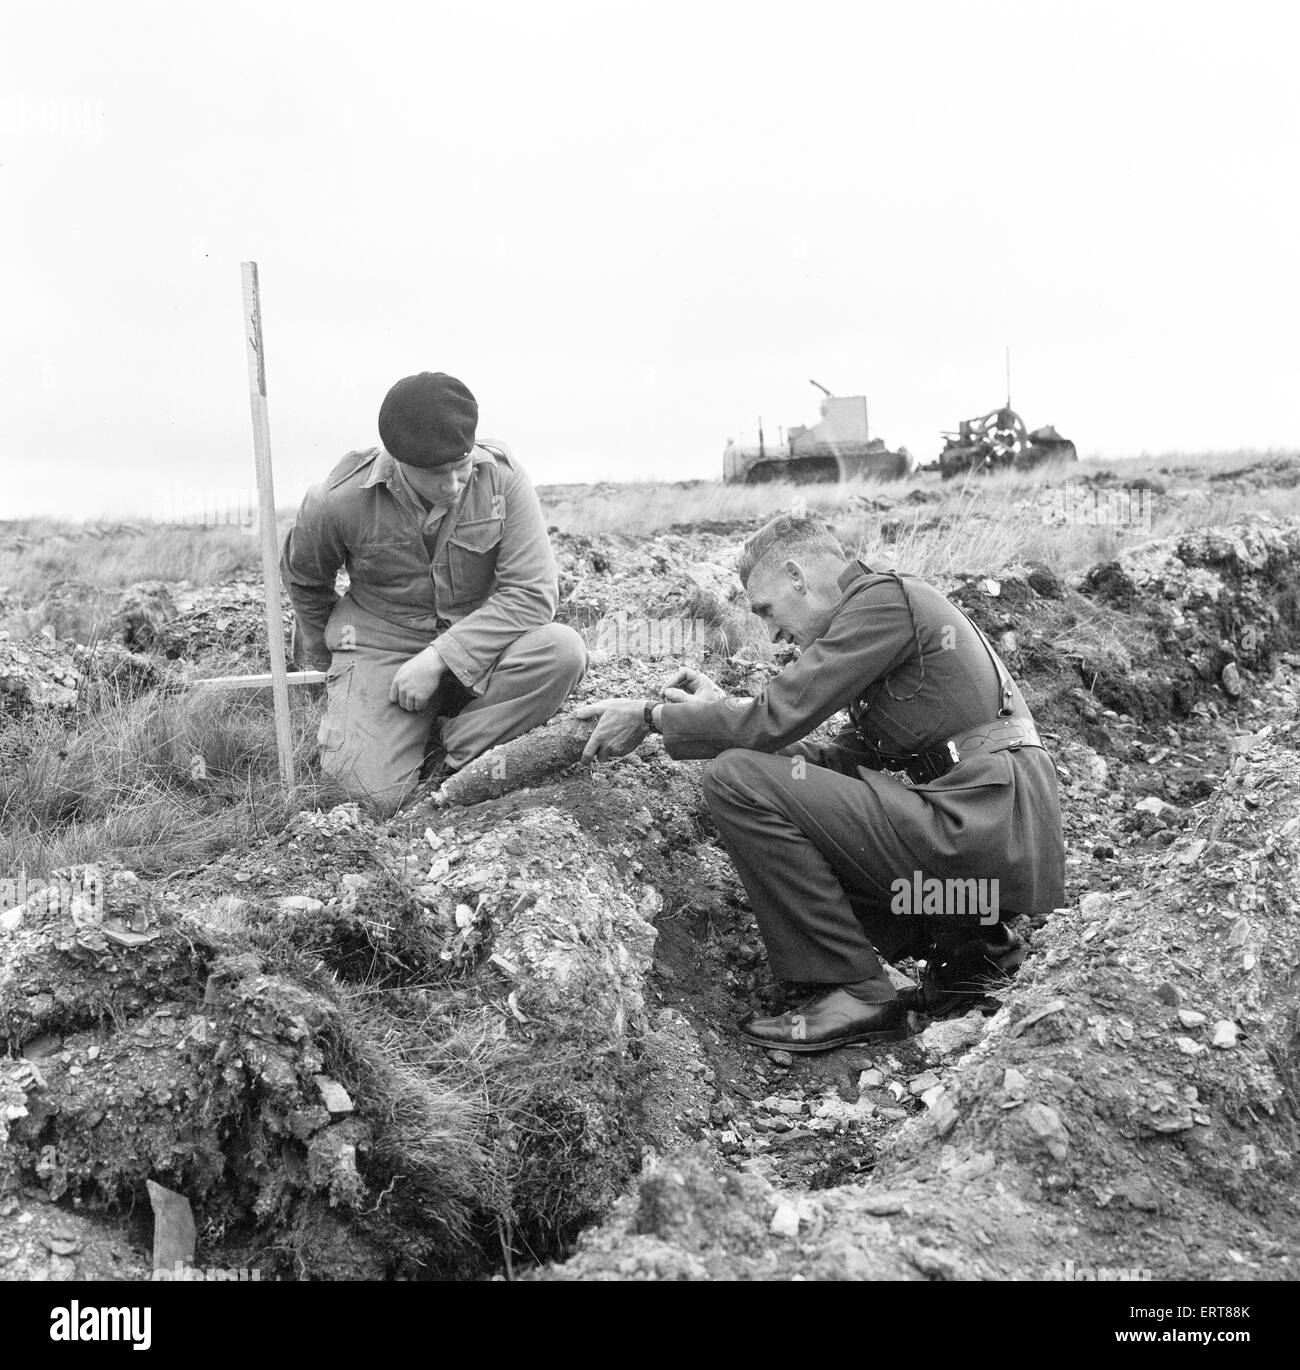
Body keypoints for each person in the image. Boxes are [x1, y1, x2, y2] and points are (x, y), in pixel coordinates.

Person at [576, 515, 1064, 1053]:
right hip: (991, 827)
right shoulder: (884, 620)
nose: (774, 632)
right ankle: (974, 952)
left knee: (734, 780)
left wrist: (650, 717)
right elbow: (836, 764)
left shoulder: (883, 602)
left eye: (766, 609)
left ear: (795, 575)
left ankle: (855, 989)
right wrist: (722, 718)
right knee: (773, 782)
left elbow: (775, 716)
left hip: (986, 822)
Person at [282, 371, 586, 814]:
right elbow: (307, 582)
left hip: (482, 641)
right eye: (435, 474)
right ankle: (399, 737)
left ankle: (452, 750)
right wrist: (337, 670)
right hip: (382, 646)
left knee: (563, 651)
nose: (452, 485)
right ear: (399, 460)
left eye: (460, 467)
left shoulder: (504, 478)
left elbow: (533, 593)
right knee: (366, 799)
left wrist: (438, 658)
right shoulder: (336, 499)